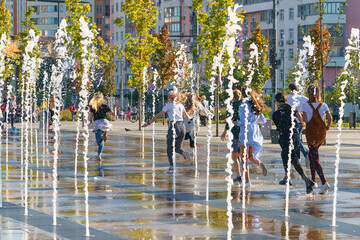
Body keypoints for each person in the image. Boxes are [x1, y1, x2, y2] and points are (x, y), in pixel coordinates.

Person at [272, 92, 315, 194]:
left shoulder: (275, 114)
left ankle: (307, 180)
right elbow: (298, 114)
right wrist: (301, 123)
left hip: (285, 137)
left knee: (294, 160)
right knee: (284, 155)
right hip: (294, 135)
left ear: (276, 102)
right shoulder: (291, 109)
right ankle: (287, 177)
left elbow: (279, 128)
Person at [142, 91, 193, 174]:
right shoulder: (181, 105)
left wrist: (149, 123)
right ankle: (184, 152)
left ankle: (172, 167)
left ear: (169, 98)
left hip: (174, 127)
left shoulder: (168, 106)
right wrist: (192, 115)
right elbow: (187, 116)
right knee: (177, 147)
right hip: (182, 127)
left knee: (170, 148)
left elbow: (159, 115)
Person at [234, 88, 268, 188]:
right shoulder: (255, 105)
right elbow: (263, 120)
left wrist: (236, 123)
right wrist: (254, 121)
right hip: (255, 131)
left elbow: (243, 121)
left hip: (245, 132)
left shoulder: (243, 105)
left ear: (243, 95)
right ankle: (259, 163)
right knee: (250, 156)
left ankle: (247, 181)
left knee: (244, 159)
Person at [302, 84, 332, 194]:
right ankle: (313, 181)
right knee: (311, 155)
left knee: (314, 158)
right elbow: (330, 117)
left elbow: (305, 119)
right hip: (321, 133)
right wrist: (328, 126)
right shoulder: (323, 105)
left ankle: (324, 182)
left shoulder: (305, 105)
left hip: (311, 134)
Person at [220, 89, 244, 184]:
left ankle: (239, 176)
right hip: (244, 133)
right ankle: (246, 176)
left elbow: (229, 121)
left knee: (234, 155)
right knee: (242, 155)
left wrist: (224, 132)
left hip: (234, 133)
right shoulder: (244, 104)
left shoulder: (231, 106)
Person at [89, 92, 118, 160]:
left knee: (99, 141)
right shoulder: (105, 106)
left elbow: (91, 115)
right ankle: (99, 155)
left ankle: (99, 153)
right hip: (105, 123)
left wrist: (91, 121)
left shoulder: (94, 106)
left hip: (97, 123)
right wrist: (115, 107)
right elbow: (113, 115)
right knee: (101, 141)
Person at [287, 83, 309, 161]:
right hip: (301, 120)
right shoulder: (302, 98)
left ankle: (306, 154)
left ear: (290, 89)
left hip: (292, 121)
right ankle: (298, 157)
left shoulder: (288, 97)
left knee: (296, 140)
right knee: (297, 138)